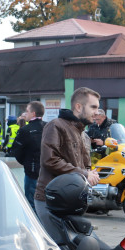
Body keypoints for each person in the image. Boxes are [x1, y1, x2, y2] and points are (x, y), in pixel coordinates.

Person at [34, 88, 100, 236]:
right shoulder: (56, 125)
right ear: (78, 106)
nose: (97, 112)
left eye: (98, 107)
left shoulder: (84, 135)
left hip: (71, 203)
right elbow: (49, 160)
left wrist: (90, 174)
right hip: (50, 202)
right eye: (93, 107)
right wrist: (84, 173)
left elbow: (84, 166)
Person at [10, 101, 45, 207]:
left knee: (31, 203)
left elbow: (17, 151)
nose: (26, 113)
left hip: (32, 172)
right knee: (45, 203)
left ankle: (34, 224)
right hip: (48, 172)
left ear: (33, 113)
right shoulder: (49, 127)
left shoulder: (25, 130)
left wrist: (27, 162)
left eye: (27, 111)